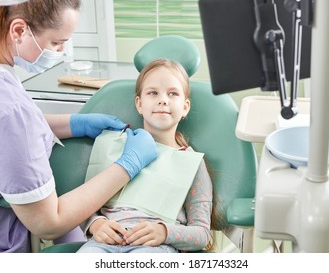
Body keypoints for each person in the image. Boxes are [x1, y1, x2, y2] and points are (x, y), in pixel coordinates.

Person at [0, 0, 157, 253]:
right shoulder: (7, 109)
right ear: (19, 30)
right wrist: (127, 165)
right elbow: (48, 222)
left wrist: (75, 123)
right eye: (57, 42)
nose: (60, 52)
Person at [78, 59, 223, 253]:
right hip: (102, 245)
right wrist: (95, 224)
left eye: (173, 93)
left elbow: (202, 234)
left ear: (185, 107)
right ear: (139, 103)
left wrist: (164, 232)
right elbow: (84, 206)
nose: (163, 99)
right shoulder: (114, 147)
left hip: (156, 247)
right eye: (153, 93)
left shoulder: (192, 164)